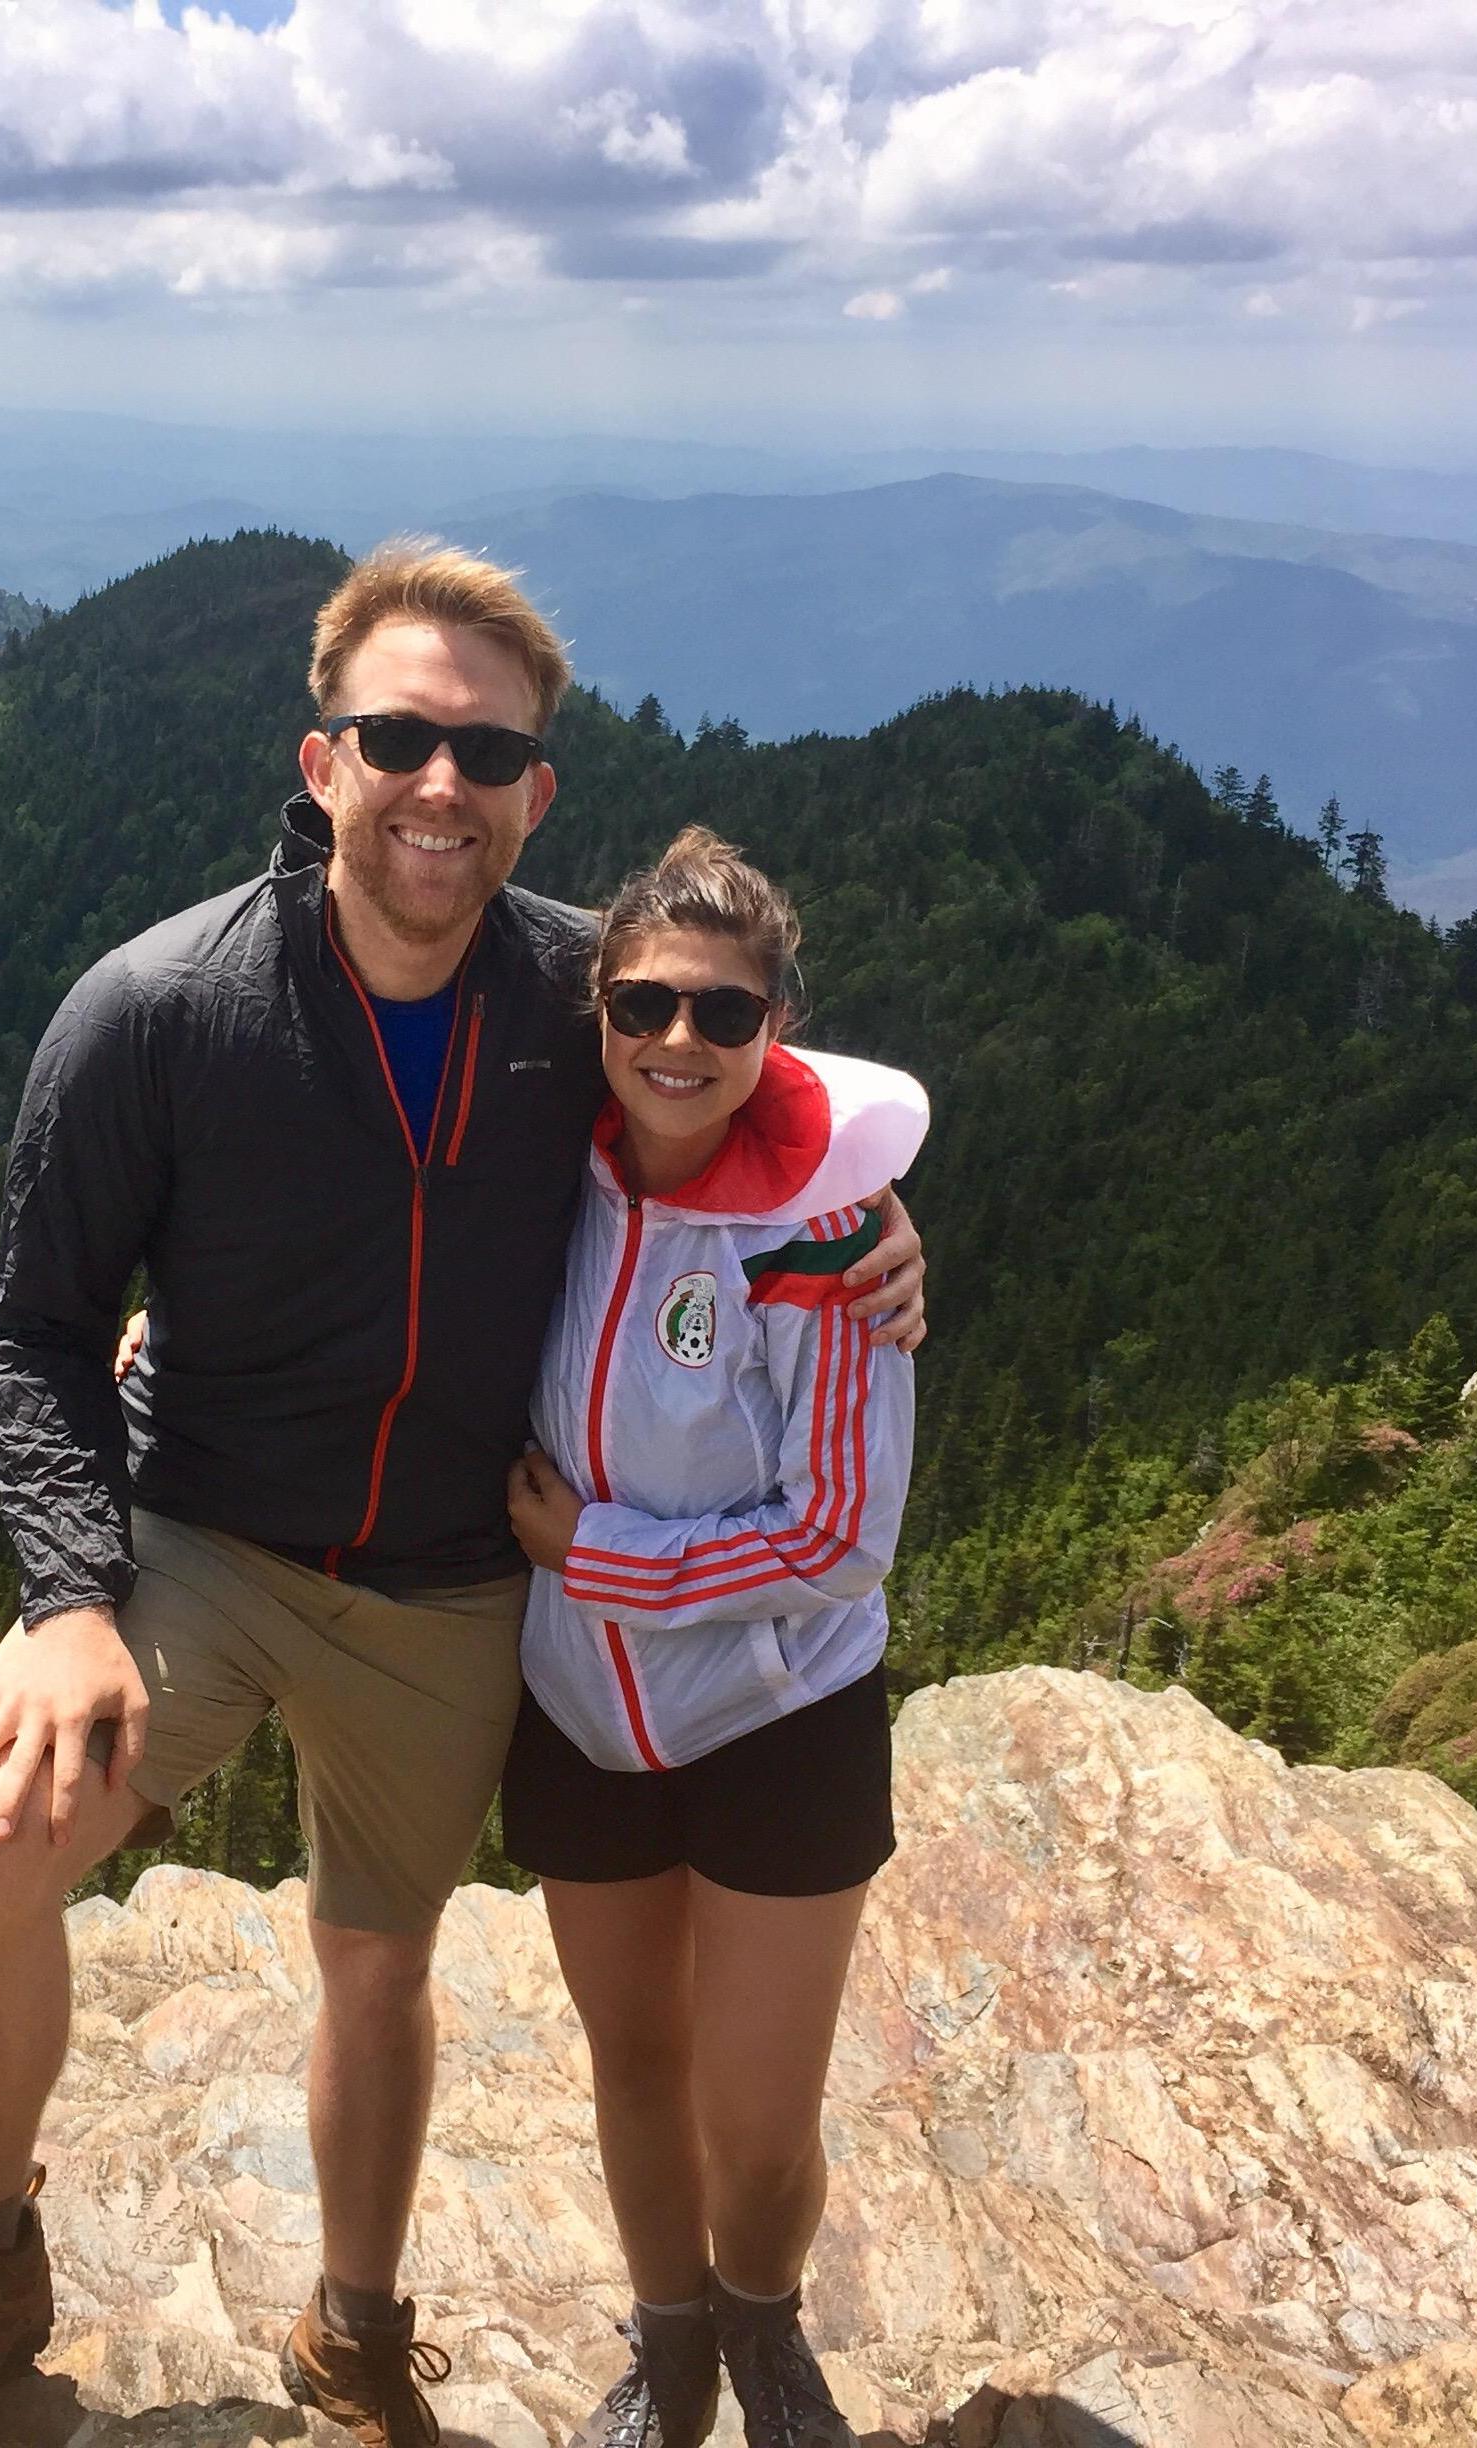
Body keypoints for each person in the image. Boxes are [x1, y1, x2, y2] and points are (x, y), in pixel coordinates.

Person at [0, 544, 927, 2448]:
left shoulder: (589, 994)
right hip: (205, 1538)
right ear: (321, 762)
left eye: (487, 753)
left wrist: (883, 1231)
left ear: (538, 794)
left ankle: (357, 2332)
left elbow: (760, 1107)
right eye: (397, 735)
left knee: (378, 1968)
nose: (440, 783)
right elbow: (41, 1329)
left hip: (451, 1576)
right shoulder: (156, 1010)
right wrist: (71, 1601)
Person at [502, 828, 928, 2448]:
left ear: (777, 1030)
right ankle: (671, 2340)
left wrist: (595, 1553)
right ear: (602, 1011)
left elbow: (840, 1541)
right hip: (580, 1710)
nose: (679, 1042)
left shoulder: (826, 1231)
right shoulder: (547, 1163)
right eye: (646, 1004)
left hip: (778, 1715)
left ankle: (762, 2317)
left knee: (756, 2126)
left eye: (725, 1016)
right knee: (632, 2059)